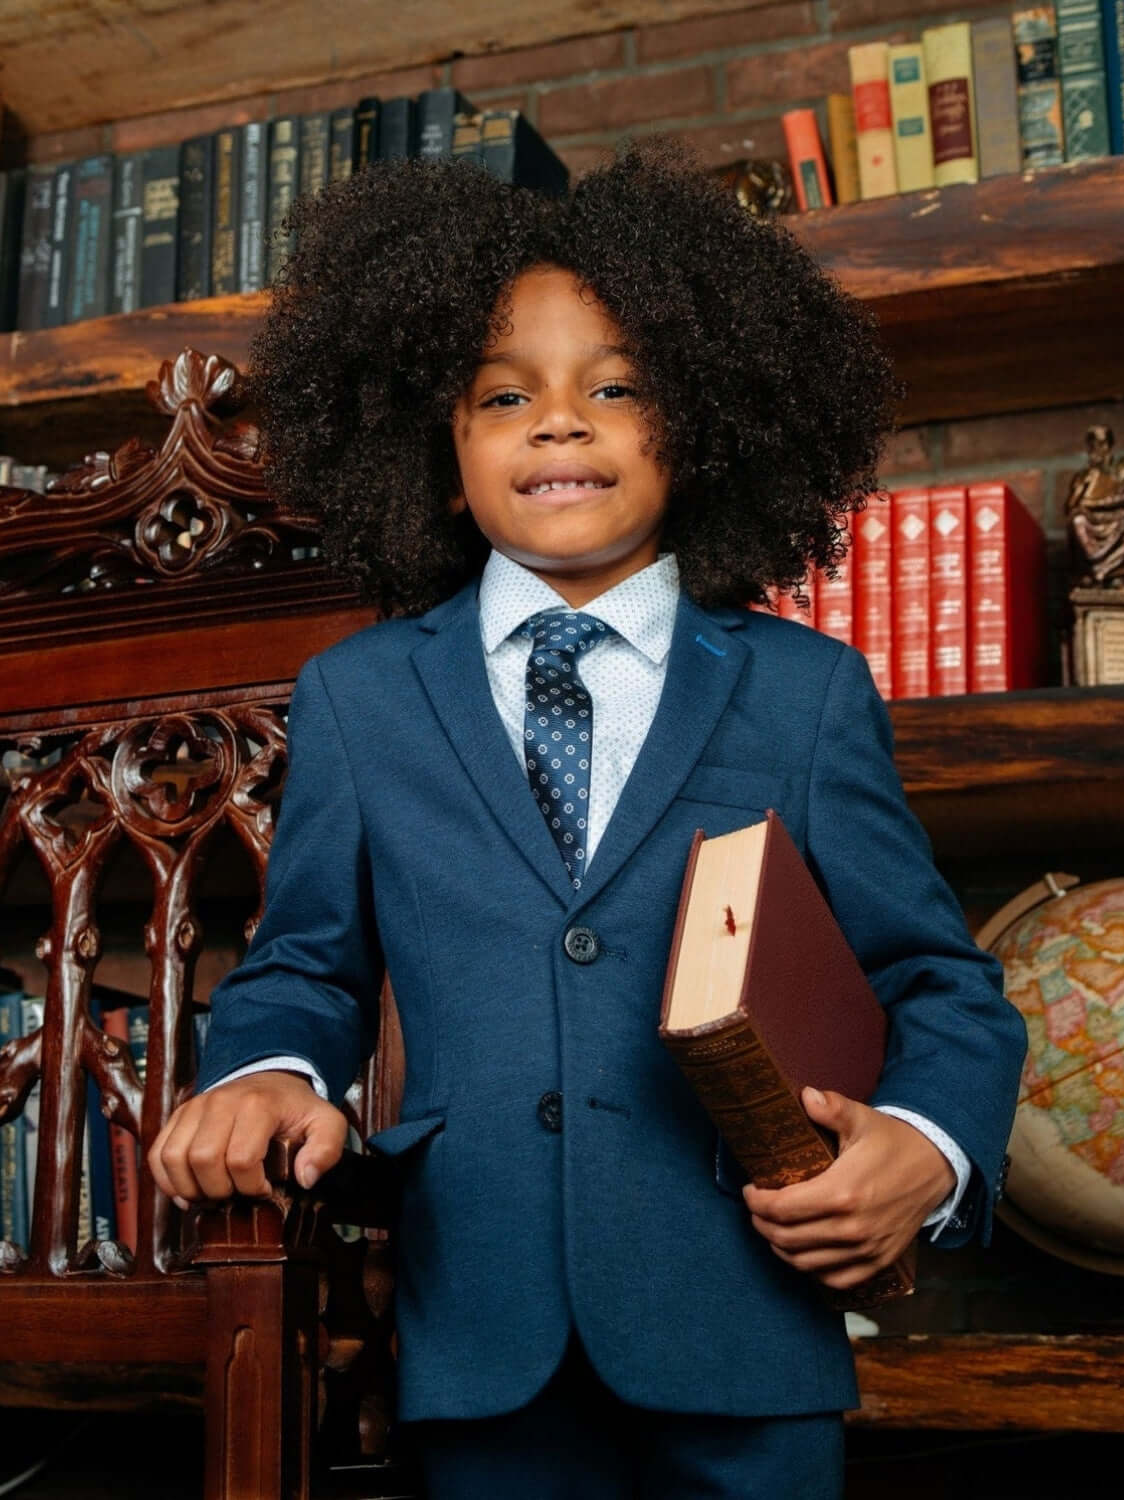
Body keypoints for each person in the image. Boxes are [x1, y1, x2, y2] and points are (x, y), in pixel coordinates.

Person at [148, 142, 1027, 1499]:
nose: (562, 422)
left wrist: (930, 1145)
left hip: (747, 1328)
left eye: (617, 385)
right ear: (437, 457)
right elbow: (305, 965)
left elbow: (938, 981)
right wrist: (265, 1072)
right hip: (479, 1335)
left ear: (705, 427)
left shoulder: (803, 693)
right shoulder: (361, 698)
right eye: (506, 394)